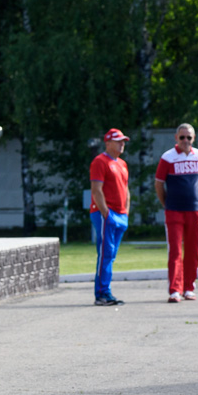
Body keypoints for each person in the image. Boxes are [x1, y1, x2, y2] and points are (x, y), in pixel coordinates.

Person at [154, 124, 198, 303]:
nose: (185, 141)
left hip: (195, 210)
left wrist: (194, 198)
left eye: (189, 138)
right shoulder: (167, 157)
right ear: (176, 138)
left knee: (193, 251)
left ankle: (189, 287)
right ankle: (174, 290)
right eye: (182, 137)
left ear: (194, 139)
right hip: (174, 211)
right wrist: (167, 203)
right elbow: (159, 184)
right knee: (175, 251)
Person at [90, 128, 131, 306]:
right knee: (106, 254)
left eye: (123, 141)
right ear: (108, 143)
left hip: (120, 214)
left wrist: (126, 212)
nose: (122, 144)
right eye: (118, 141)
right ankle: (102, 294)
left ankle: (105, 291)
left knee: (111, 254)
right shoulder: (100, 161)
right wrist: (106, 213)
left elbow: (126, 189)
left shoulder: (122, 163)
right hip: (105, 214)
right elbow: (96, 190)